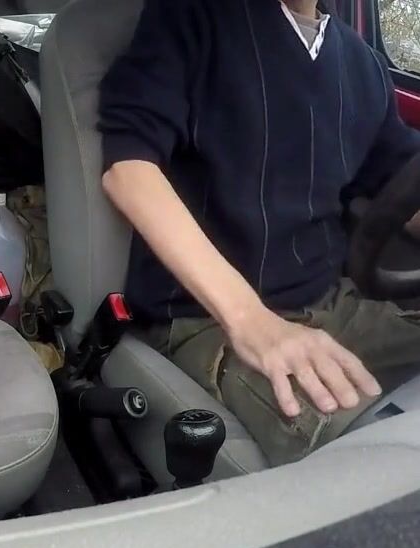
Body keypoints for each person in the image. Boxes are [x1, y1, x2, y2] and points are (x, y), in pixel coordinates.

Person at [98, 0, 420, 466]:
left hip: (334, 304)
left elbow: (401, 187)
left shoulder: (361, 63)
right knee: (370, 456)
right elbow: (129, 170)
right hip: (207, 320)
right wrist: (252, 320)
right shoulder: (190, 17)